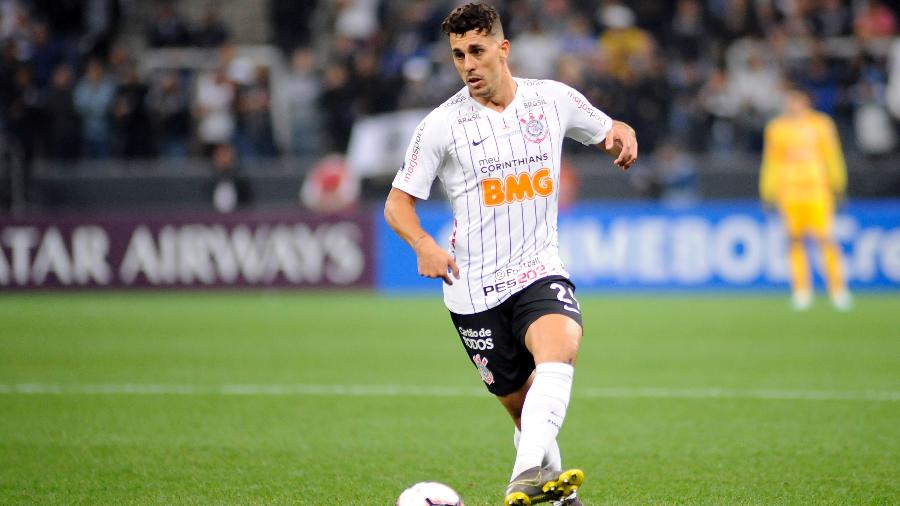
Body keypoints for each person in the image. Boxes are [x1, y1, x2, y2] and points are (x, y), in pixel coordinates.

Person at [383, 4, 638, 505]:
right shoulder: (441, 126)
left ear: (503, 49)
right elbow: (397, 203)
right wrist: (423, 243)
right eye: (458, 55)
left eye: (476, 51)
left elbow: (608, 127)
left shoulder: (552, 100)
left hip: (538, 270)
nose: (468, 64)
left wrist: (621, 132)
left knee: (561, 345)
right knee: (526, 415)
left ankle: (522, 475)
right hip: (472, 291)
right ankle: (560, 497)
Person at [759, 85, 851, 311]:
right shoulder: (776, 128)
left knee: (826, 240)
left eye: (797, 100)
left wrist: (839, 184)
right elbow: (771, 162)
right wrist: (767, 190)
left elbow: (832, 156)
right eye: (789, 101)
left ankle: (837, 289)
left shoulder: (821, 125)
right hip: (789, 193)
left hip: (817, 191)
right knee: (795, 242)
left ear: (806, 102)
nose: (793, 105)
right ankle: (802, 290)